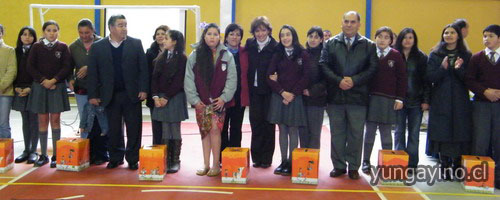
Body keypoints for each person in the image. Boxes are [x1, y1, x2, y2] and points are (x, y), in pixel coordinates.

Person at [320, 11, 378, 179]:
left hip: (358, 97)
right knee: (337, 133)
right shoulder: (330, 43)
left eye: (353, 22)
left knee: (356, 133)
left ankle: (353, 166)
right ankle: (338, 166)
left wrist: (354, 80)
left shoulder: (369, 45)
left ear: (359, 24)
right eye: (346, 21)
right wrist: (339, 81)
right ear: (341, 23)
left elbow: (372, 68)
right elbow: (323, 65)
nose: (349, 24)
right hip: (335, 97)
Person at [88, 14, 149, 170]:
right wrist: (93, 95)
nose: (124, 28)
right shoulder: (98, 46)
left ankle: (133, 158)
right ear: (111, 27)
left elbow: (143, 69)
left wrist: (143, 89)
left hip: (132, 94)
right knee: (114, 129)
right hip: (110, 95)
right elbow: (93, 73)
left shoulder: (135, 43)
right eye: (121, 25)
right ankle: (115, 157)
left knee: (134, 128)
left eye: (125, 25)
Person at [184, 23, 236, 177]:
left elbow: (232, 79)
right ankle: (205, 164)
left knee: (215, 130)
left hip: (218, 102)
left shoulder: (227, 55)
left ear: (219, 37)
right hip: (201, 103)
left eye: (215, 34)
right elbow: (188, 79)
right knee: (205, 132)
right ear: (204, 36)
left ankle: (215, 165)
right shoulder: (194, 55)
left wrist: (224, 98)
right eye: (209, 34)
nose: (212, 37)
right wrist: (194, 99)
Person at [427, 24, 472, 180]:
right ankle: (444, 164)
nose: (449, 35)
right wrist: (442, 68)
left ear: (458, 36)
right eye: (446, 32)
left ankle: (457, 164)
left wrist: (459, 70)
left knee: (459, 130)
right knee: (442, 130)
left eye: (452, 32)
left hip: (460, 100)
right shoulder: (435, 55)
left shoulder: (466, 55)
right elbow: (430, 78)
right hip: (441, 99)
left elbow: (470, 80)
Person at [361, 26, 407, 174]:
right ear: (375, 38)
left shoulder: (396, 55)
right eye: (380, 36)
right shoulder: (369, 53)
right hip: (371, 99)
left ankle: (387, 162)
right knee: (369, 132)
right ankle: (366, 161)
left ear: (391, 40)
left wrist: (400, 98)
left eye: (386, 37)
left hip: (389, 100)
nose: (382, 40)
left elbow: (402, 79)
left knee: (386, 133)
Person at [27, 20, 72, 167]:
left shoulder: (63, 47)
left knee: (55, 120)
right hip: (40, 87)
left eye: (54, 30)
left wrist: (54, 81)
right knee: (42, 120)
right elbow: (30, 67)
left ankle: (56, 155)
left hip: (57, 87)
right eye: (48, 30)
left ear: (58, 32)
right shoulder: (36, 47)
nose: (51, 33)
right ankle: (44, 154)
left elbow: (67, 67)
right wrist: (44, 81)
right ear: (43, 32)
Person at [267, 25, 310, 176]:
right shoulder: (277, 54)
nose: (285, 38)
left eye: (288, 34)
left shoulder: (302, 54)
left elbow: (306, 77)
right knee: (282, 129)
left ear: (294, 36)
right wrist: (282, 92)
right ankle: (283, 161)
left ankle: (292, 162)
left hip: (295, 97)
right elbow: (270, 76)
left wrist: (292, 94)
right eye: (282, 35)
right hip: (279, 97)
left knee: (293, 129)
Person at [69, 18, 109, 165]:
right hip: (81, 90)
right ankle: (86, 152)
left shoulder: (103, 44)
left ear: (93, 31)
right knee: (85, 121)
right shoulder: (73, 46)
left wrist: (89, 67)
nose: (84, 36)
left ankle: (102, 152)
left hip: (100, 90)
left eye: (87, 32)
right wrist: (71, 80)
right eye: (81, 33)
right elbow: (68, 67)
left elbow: (107, 66)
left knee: (101, 121)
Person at [465, 24, 500, 189]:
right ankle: (479, 177)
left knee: (498, 140)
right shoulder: (476, 58)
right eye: (484, 36)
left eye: (491, 36)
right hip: (481, 105)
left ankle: (498, 177)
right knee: (481, 140)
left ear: (499, 38)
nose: (487, 39)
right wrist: (485, 91)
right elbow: (470, 80)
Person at [151, 29, 188, 174]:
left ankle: (175, 160)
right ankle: (166, 159)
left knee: (175, 129)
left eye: (167, 38)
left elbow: (179, 81)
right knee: (165, 128)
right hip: (160, 97)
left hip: (174, 97)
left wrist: (166, 97)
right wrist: (155, 96)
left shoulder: (182, 59)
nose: (163, 40)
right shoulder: (161, 56)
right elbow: (154, 78)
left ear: (174, 41)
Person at [393, 28, 430, 171]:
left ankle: (412, 164)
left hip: (416, 100)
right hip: (399, 100)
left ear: (414, 40)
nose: (407, 40)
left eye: (410, 38)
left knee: (414, 133)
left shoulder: (421, 57)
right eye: (405, 37)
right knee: (399, 131)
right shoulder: (395, 55)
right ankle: (399, 162)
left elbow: (426, 81)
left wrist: (426, 100)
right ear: (400, 39)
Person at [245, 16, 278, 168]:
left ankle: (267, 158)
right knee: (256, 123)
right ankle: (256, 157)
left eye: (263, 30)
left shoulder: (275, 47)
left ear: (269, 31)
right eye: (257, 31)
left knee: (268, 125)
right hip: (254, 91)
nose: (260, 34)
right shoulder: (250, 44)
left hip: (270, 91)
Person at [13, 26, 39, 164]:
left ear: (34, 37)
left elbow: (39, 72)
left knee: (34, 120)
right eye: (24, 34)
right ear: (20, 37)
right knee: (25, 120)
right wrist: (16, 87)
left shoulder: (37, 52)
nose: (27, 37)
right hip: (19, 89)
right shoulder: (15, 52)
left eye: (30, 35)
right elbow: (12, 70)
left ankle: (34, 150)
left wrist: (30, 88)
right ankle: (26, 150)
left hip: (34, 89)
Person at [221, 23, 249, 151]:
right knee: (223, 127)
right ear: (226, 37)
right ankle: (221, 157)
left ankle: (234, 156)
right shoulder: (219, 52)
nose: (234, 37)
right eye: (231, 34)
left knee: (236, 127)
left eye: (238, 34)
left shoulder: (245, 52)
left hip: (240, 96)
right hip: (222, 97)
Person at [298, 26, 326, 149]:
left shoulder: (325, 55)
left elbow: (327, 79)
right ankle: (302, 161)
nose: (313, 40)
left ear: (321, 39)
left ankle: (312, 162)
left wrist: (312, 91)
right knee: (303, 132)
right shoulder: (302, 54)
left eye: (316, 37)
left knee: (314, 133)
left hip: (317, 100)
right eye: (311, 36)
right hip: (301, 99)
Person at [146, 25, 169, 145]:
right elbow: (147, 73)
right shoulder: (150, 52)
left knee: (168, 126)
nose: (160, 36)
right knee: (156, 125)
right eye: (157, 34)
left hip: (168, 94)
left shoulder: (174, 52)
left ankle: (169, 151)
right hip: (154, 93)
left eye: (163, 34)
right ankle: (157, 149)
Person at [0, 24, 17, 139]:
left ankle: (6, 155)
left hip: (4, 93)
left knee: (3, 124)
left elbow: (12, 71)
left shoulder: (9, 50)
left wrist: (1, 86)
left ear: (2, 33)